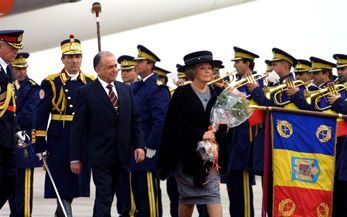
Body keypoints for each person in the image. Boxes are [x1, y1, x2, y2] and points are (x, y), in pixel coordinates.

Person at [69, 51, 145, 217]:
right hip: (100, 156)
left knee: (124, 198)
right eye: (110, 67)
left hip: (123, 155)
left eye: (115, 66)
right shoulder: (86, 92)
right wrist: (75, 157)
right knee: (104, 196)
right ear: (98, 69)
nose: (115, 70)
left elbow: (135, 120)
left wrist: (139, 145)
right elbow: (78, 127)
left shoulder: (125, 90)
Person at [32, 34, 94, 217]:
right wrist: (39, 144)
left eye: (77, 56)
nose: (74, 61)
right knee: (61, 184)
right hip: (60, 139)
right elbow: (40, 116)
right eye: (70, 57)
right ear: (62, 59)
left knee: (75, 186)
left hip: (82, 139)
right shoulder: (52, 82)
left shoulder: (90, 81)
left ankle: (61, 213)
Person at [159, 50, 223, 217]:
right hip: (186, 155)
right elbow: (175, 125)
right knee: (187, 197)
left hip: (210, 155)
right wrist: (201, 134)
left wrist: (223, 125)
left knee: (212, 195)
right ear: (193, 72)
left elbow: (222, 121)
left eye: (210, 68)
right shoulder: (181, 94)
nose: (209, 71)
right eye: (203, 68)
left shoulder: (216, 93)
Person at [130, 45, 170, 217]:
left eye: (140, 62)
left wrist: (151, 146)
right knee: (137, 195)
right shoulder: (136, 86)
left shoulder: (157, 87)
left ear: (150, 64)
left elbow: (160, 121)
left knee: (149, 196)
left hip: (147, 148)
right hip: (133, 147)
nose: (136, 64)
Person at [224, 46, 261, 217]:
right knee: (234, 189)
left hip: (246, 139)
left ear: (247, 63)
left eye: (238, 62)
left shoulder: (257, 82)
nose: (235, 65)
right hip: (232, 138)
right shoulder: (233, 83)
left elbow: (260, 108)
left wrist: (253, 91)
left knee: (243, 189)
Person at [8, 52, 42, 217]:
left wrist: (7, 122)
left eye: (23, 68)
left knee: (24, 188)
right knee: (11, 187)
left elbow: (28, 115)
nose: (21, 72)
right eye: (17, 68)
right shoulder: (7, 86)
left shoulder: (33, 88)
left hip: (24, 144)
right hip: (7, 143)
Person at [0, 29, 24, 209]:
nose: (16, 52)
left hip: (6, 136)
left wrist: (16, 130)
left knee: (10, 180)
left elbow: (9, 107)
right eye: (12, 48)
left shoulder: (7, 70)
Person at [115, 54, 138, 216]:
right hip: (118, 147)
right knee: (121, 188)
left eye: (128, 70)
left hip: (133, 146)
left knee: (133, 188)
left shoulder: (137, 89)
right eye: (122, 70)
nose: (124, 74)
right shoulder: (118, 89)